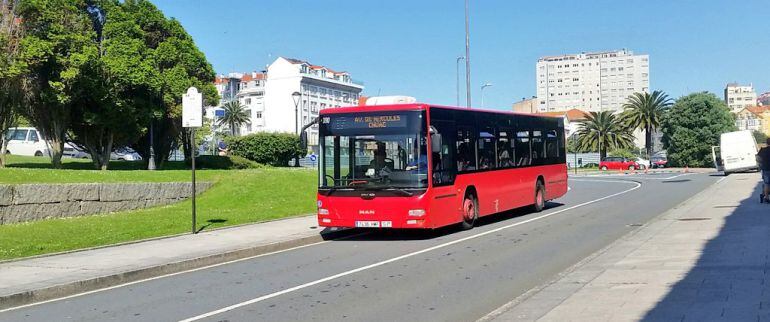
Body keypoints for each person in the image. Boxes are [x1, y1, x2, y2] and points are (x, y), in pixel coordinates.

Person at [757, 138, 770, 203]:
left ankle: (766, 197)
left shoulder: (762, 150)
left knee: (766, 183)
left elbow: (758, 158)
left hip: (766, 169)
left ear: (766, 143)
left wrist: (761, 164)